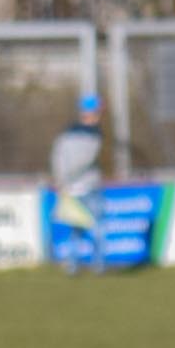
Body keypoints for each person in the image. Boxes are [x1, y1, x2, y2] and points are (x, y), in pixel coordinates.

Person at [49, 95, 106, 275]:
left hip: (70, 189)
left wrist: (61, 180)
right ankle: (98, 266)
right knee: (98, 227)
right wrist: (68, 179)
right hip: (88, 187)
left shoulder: (65, 134)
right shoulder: (95, 134)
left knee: (75, 231)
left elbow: (57, 157)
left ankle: (73, 266)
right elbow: (87, 160)